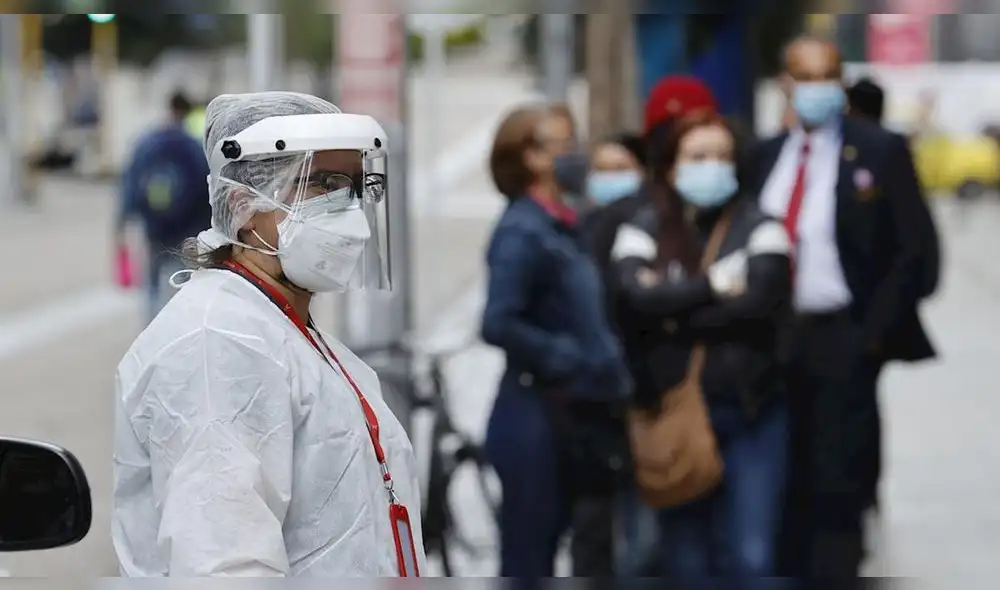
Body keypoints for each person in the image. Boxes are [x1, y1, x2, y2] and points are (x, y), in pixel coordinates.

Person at [112, 91, 425, 576]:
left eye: (357, 187)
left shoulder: (280, 324)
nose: (350, 209)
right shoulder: (218, 343)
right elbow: (223, 563)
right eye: (324, 184)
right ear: (243, 204)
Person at [752, 36, 938, 577]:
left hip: (840, 339)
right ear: (785, 83)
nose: (816, 89)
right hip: (770, 345)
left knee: (838, 489)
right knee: (782, 484)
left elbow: (915, 254)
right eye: (804, 78)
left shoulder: (878, 151)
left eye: (827, 77)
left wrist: (869, 337)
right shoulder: (765, 157)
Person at [611, 112, 793, 577]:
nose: (710, 167)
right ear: (672, 166)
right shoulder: (643, 227)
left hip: (750, 412)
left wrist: (670, 311)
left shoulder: (762, 227)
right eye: (697, 156)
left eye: (721, 157)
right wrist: (715, 282)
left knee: (751, 558)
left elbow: (756, 305)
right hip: (673, 413)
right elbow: (632, 300)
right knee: (685, 561)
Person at [480, 104, 631, 578]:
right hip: (535, 415)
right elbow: (497, 322)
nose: (574, 157)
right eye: (562, 146)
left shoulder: (566, 222)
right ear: (530, 158)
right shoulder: (522, 231)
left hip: (574, 413)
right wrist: (566, 357)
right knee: (529, 560)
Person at [116, 91, 213, 324]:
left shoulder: (147, 143)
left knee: (151, 284)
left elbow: (130, 184)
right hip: (187, 228)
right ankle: (181, 329)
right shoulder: (193, 145)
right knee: (184, 281)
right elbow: (206, 187)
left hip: (154, 227)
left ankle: (151, 332)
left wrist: (121, 223)